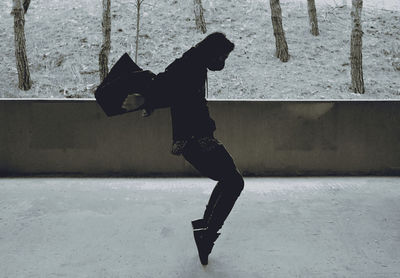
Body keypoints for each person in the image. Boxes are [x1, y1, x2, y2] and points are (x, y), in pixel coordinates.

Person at [122, 32, 244, 266]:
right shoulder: (189, 65)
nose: (222, 63)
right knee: (234, 181)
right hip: (196, 141)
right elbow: (164, 83)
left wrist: (150, 102)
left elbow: (174, 90)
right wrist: (144, 99)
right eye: (222, 57)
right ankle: (206, 233)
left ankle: (205, 228)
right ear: (212, 52)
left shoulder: (194, 63)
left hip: (197, 138)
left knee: (230, 179)